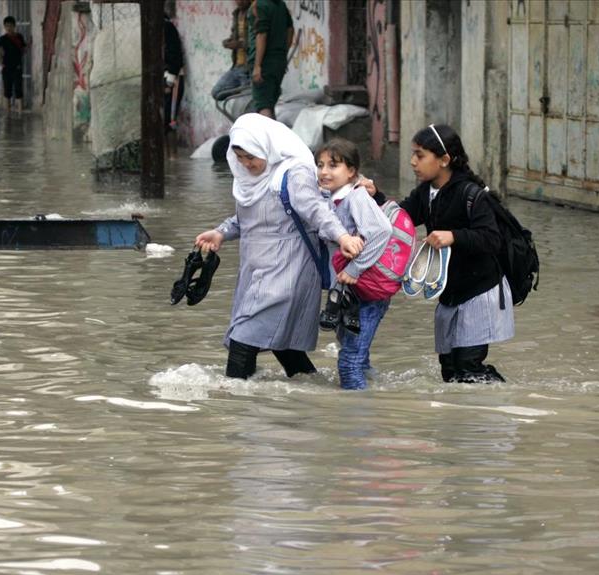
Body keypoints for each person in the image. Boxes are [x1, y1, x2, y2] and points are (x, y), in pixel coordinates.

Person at [193, 114, 364, 380]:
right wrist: (220, 233)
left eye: (251, 157)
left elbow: (316, 211)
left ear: (267, 147)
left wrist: (342, 237)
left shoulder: (293, 173)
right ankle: (313, 390)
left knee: (245, 336)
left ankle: (233, 397)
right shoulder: (247, 181)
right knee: (282, 344)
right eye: (240, 158)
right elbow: (246, 219)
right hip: (256, 267)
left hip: (288, 266)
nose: (247, 165)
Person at [369, 124, 513, 383]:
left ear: (444, 160)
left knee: (469, 367)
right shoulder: (426, 192)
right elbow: (402, 219)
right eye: (413, 154)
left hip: (480, 290)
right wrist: (376, 196)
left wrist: (453, 236)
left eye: (420, 155)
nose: (413, 162)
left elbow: (492, 239)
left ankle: (501, 407)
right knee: (449, 369)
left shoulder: (471, 194)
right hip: (450, 291)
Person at [315, 138, 393, 390]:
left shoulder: (355, 197)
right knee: (358, 359)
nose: (324, 171)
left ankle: (355, 424)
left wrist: (354, 270)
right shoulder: (332, 199)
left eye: (333, 165)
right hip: (349, 294)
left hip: (365, 294)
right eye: (320, 165)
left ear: (351, 172)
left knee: (349, 363)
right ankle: (374, 400)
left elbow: (382, 231)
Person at [248, 0, 294, 119]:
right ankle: (273, 136)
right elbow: (290, 30)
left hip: (265, 63)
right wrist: (283, 53)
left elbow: (262, 34)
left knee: (263, 105)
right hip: (278, 62)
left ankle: (267, 137)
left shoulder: (260, 5)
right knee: (270, 103)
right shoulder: (280, 5)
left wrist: (257, 65)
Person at [211, 0, 251, 100]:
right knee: (217, 92)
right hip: (236, 66)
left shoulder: (254, 13)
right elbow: (235, 36)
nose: (239, 2)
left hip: (249, 68)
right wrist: (228, 42)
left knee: (246, 105)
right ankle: (243, 89)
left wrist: (239, 44)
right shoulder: (237, 14)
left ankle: (247, 90)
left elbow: (259, 41)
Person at [164, 9, 184, 158]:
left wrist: (169, 82)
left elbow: (175, 57)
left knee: (169, 119)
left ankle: (173, 157)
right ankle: (168, 157)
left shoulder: (167, 28)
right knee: (163, 120)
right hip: (162, 78)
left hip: (172, 79)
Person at [0, 16, 27, 114]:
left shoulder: (19, 37)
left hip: (17, 66)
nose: (8, 28)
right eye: (6, 26)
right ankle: (8, 111)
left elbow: (23, 50)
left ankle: (20, 111)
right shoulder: (2, 39)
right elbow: (0, 53)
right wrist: (1, 64)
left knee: (18, 89)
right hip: (6, 68)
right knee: (7, 90)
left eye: (10, 26)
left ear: (14, 26)